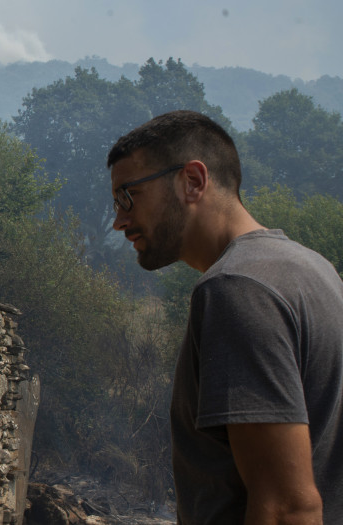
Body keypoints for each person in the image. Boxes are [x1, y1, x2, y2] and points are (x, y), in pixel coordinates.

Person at [106, 110, 342, 524]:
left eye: (128, 195)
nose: (119, 220)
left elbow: (288, 508)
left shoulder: (236, 289)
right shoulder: (315, 269)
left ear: (193, 181)